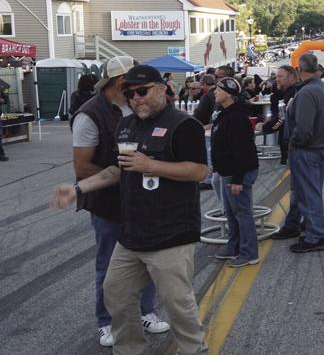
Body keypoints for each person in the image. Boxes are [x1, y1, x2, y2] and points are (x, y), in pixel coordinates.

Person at [52, 64, 209, 354]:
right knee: (117, 295)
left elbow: (199, 171)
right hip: (131, 233)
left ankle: (194, 349)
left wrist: (151, 165)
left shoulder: (184, 125)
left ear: (161, 89)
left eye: (142, 91)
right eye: (129, 93)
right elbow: (118, 171)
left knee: (178, 304)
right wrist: (77, 189)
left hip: (171, 234)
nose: (136, 98)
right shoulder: (126, 125)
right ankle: (129, 349)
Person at [68, 56, 169, 347]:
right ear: (120, 82)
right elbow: (82, 168)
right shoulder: (89, 115)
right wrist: (125, 178)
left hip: (145, 199)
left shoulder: (139, 104)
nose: (140, 87)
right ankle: (106, 321)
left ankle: (145, 312)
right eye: (134, 81)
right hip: (109, 203)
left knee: (148, 257)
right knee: (109, 264)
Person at [286, 53, 324, 254]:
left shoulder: (307, 92)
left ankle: (315, 236)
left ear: (300, 70)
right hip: (322, 146)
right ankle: (309, 227)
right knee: (310, 191)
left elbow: (304, 128)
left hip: (308, 149)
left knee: (309, 194)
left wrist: (294, 143)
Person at [211, 77, 260, 268]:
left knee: (242, 213)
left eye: (219, 89)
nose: (215, 92)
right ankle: (235, 246)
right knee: (231, 212)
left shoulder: (236, 117)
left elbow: (242, 150)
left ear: (229, 94)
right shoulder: (226, 114)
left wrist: (238, 178)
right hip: (227, 171)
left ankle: (249, 253)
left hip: (237, 173)